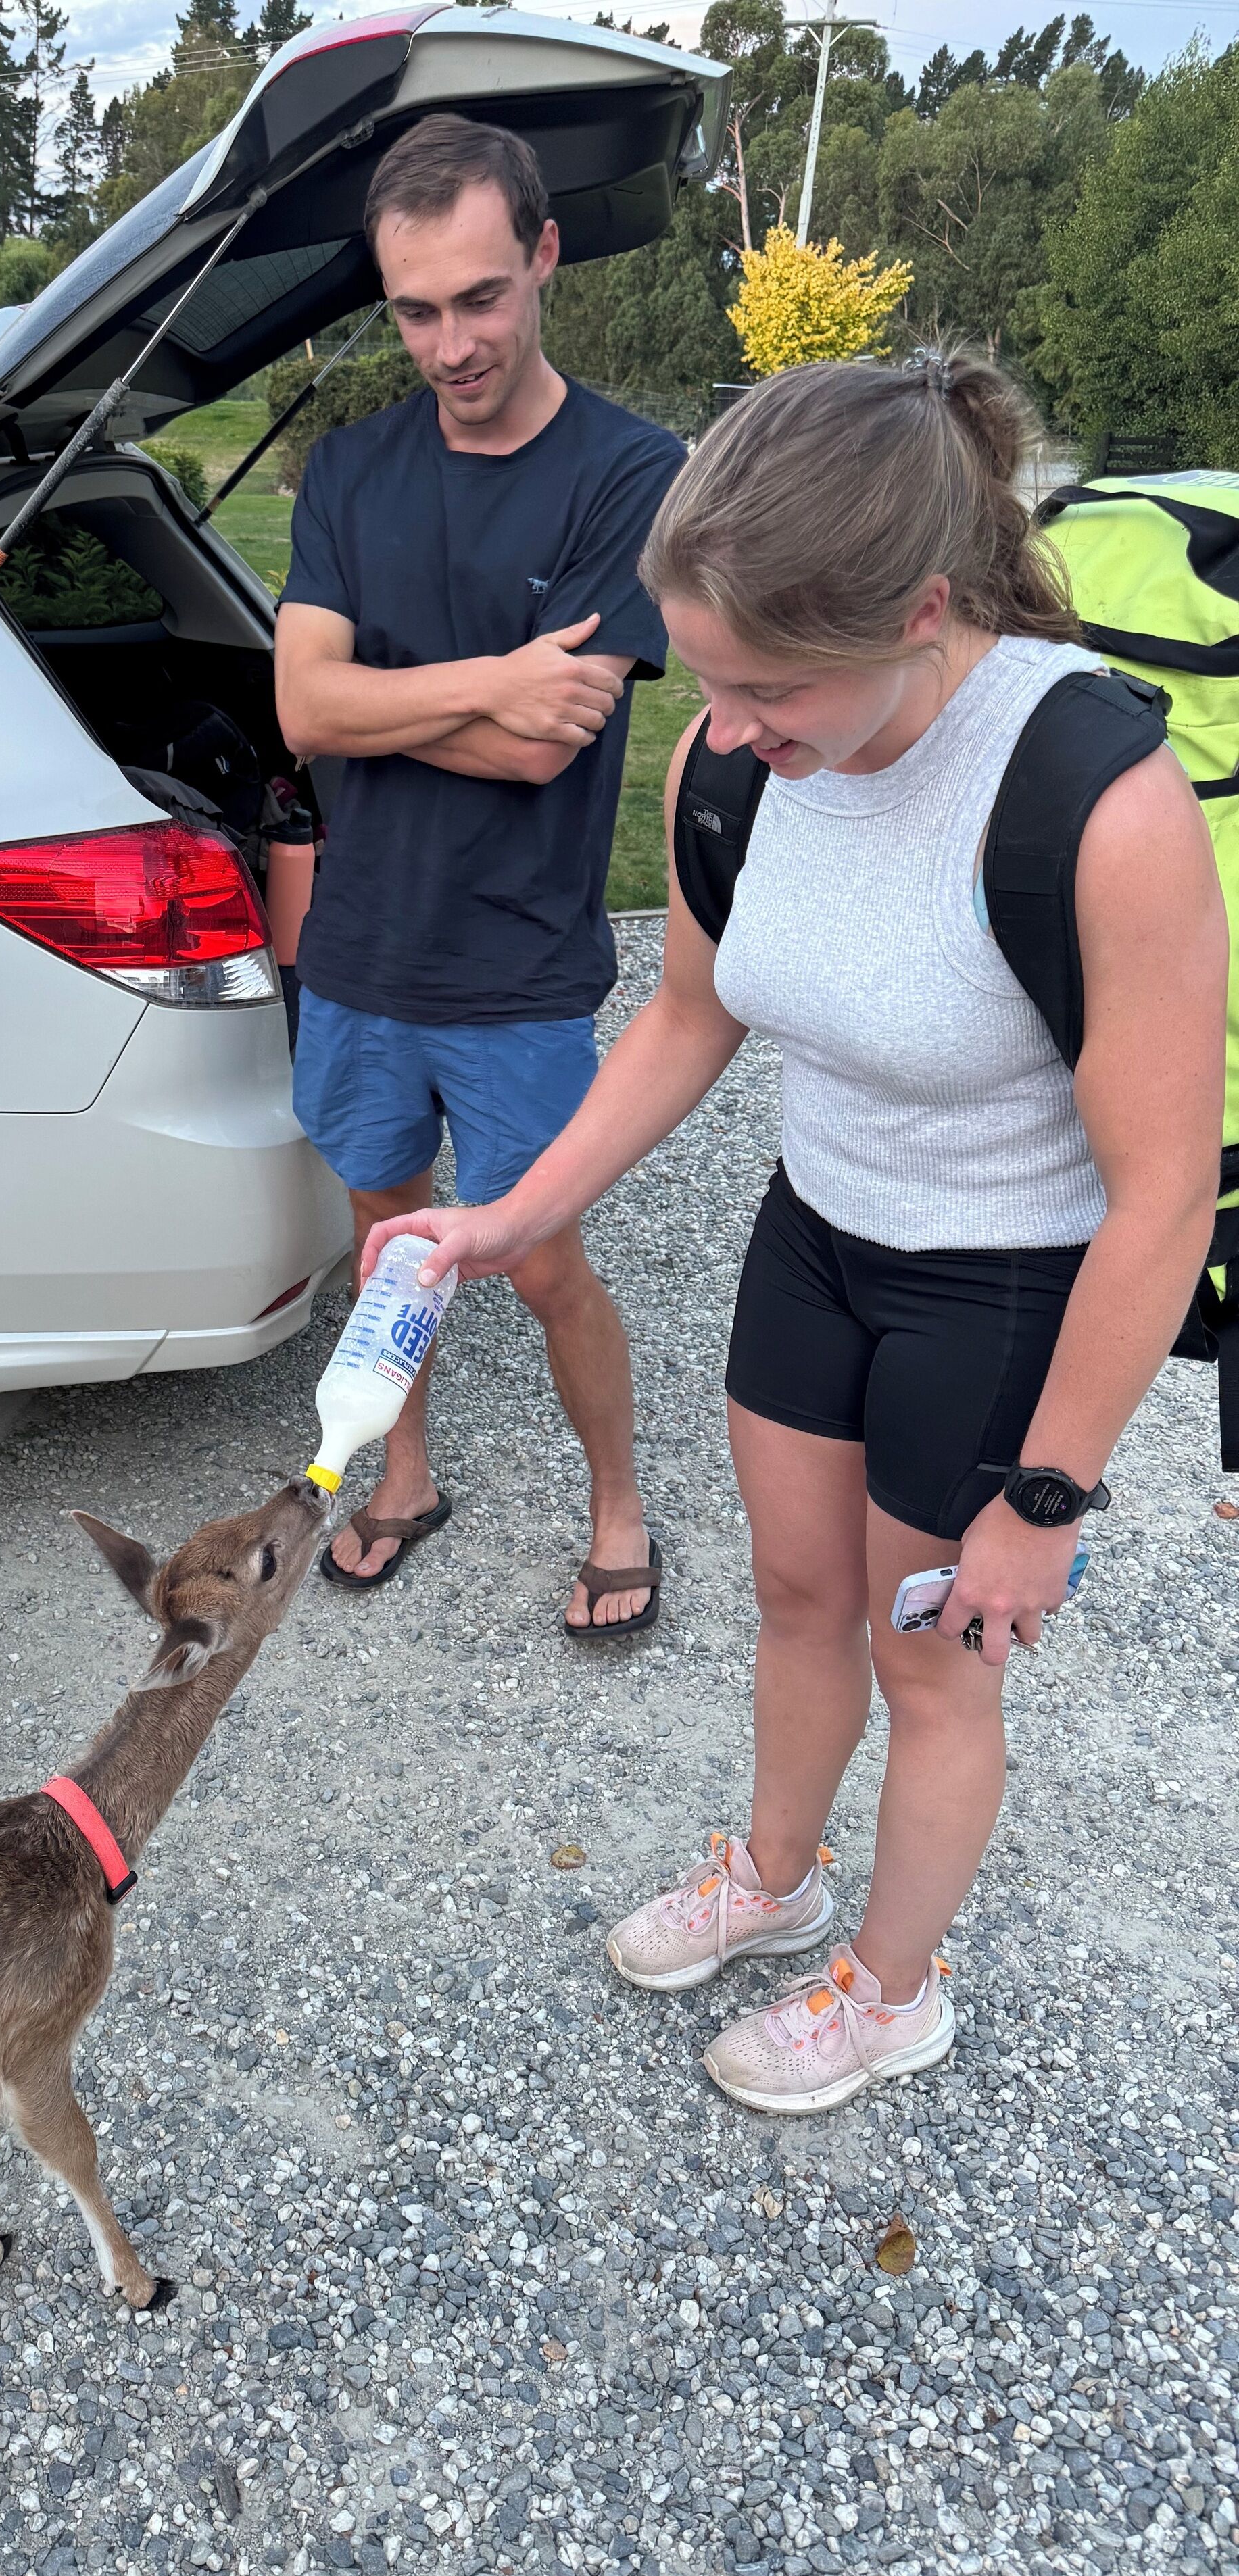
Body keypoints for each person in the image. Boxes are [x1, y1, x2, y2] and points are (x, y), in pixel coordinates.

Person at [365, 353, 1225, 2113]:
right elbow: (692, 1016)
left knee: (936, 1660)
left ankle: (890, 1992)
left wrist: (1045, 1501)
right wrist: (512, 1215)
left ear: (917, 612)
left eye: (767, 688)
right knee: (796, 1592)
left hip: (998, 1288)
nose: (730, 728)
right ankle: (775, 1876)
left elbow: (1165, 1191)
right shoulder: (740, 760)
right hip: (814, 1231)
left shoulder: (1093, 800)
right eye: (708, 678)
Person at [275, 114, 685, 1634]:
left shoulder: (632, 471)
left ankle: (620, 1503)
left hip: (515, 965)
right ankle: (403, 1473)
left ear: (546, 257)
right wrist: (480, 682)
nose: (452, 343)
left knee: (541, 1263)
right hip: (365, 956)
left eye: (483, 297)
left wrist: (375, 705)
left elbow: (543, 751)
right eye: (418, 310)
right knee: (396, 1252)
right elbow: (302, 713)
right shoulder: (352, 468)